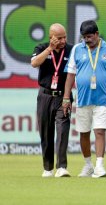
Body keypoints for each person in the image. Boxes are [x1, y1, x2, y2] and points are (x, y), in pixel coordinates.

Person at [62, 20, 106, 178]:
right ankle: (88, 165)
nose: (86, 40)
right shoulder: (77, 49)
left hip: (102, 99)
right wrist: (66, 98)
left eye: (89, 36)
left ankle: (100, 166)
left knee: (100, 131)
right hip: (82, 100)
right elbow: (70, 75)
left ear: (97, 34)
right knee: (84, 133)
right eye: (84, 37)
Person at [31, 23, 73, 178]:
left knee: (63, 130)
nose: (63, 41)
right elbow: (34, 63)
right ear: (51, 38)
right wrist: (49, 49)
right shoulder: (41, 47)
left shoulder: (71, 50)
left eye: (64, 37)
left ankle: (61, 167)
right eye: (59, 38)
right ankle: (47, 168)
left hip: (64, 96)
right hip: (45, 95)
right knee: (46, 131)